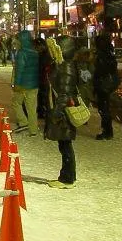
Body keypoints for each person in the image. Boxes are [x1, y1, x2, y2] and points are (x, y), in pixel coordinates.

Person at [45, 37, 80, 189]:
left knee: (65, 144)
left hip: (64, 111)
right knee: (64, 143)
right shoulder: (63, 65)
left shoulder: (66, 67)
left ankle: (67, 178)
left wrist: (57, 112)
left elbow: (64, 93)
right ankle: (69, 175)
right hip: (62, 109)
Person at [10, 31, 39, 135]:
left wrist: (16, 84)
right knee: (32, 108)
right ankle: (33, 129)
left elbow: (19, 70)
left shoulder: (22, 53)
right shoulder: (34, 52)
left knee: (16, 103)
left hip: (23, 85)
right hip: (34, 84)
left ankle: (23, 122)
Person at [93, 33, 120, 140]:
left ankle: (107, 131)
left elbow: (100, 71)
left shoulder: (102, 56)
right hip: (106, 84)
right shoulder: (109, 54)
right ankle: (107, 130)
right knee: (105, 107)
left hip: (103, 84)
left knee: (104, 108)